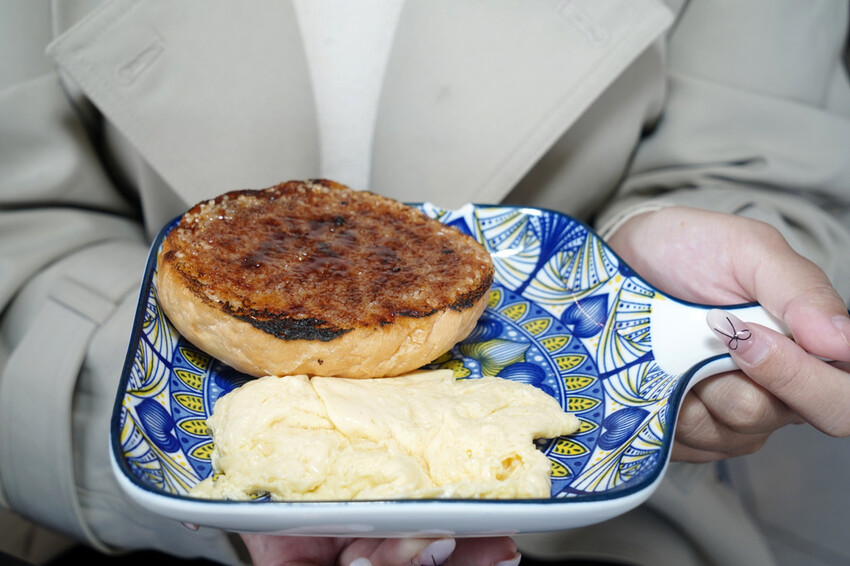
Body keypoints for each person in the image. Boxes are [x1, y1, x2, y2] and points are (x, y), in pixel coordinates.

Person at [2, 1, 849, 565]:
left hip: (610, 521)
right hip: (149, 527)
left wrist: (661, 305)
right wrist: (242, 468)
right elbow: (21, 216)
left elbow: (769, 159)